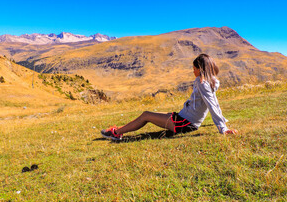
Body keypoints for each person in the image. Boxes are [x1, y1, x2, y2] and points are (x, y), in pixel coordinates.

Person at [101, 54, 237, 141]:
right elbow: (214, 102)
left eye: (194, 68)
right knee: (147, 115)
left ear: (200, 69)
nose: (193, 71)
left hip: (185, 123)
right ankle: (118, 130)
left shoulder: (203, 84)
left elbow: (212, 104)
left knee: (146, 115)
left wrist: (222, 128)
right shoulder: (208, 81)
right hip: (182, 118)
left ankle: (116, 133)